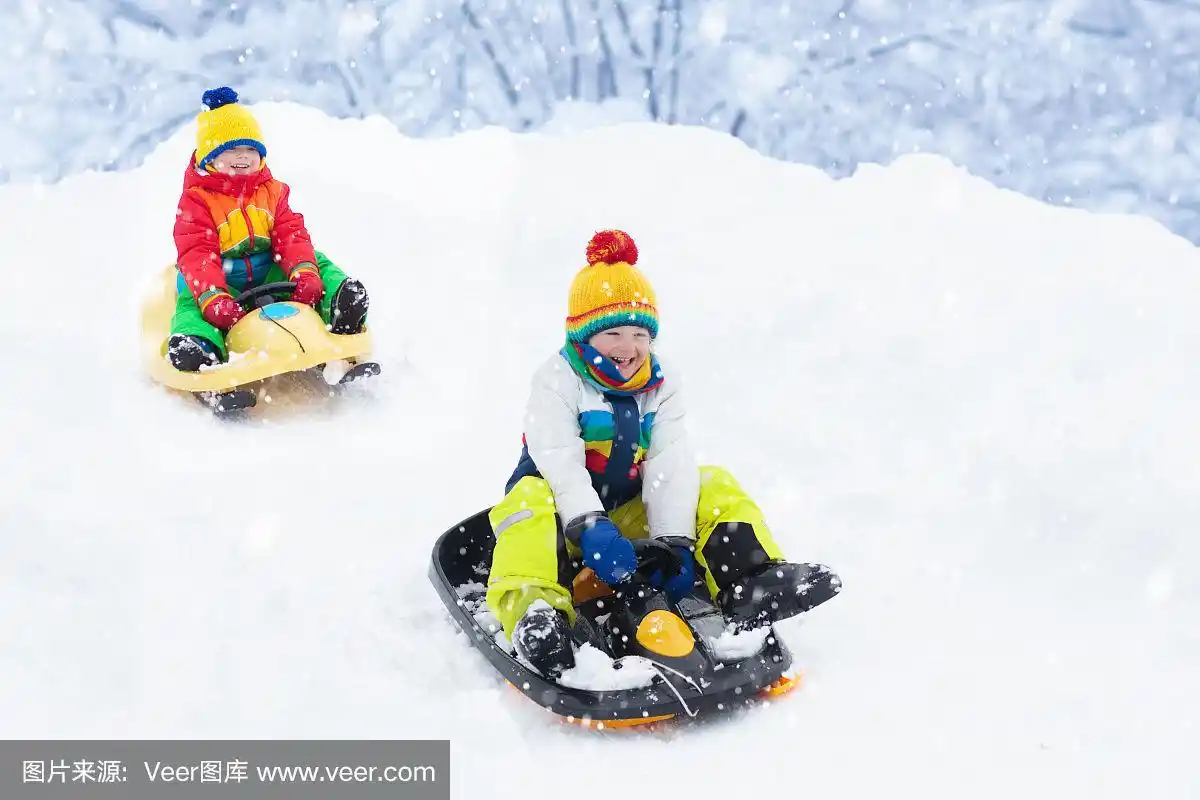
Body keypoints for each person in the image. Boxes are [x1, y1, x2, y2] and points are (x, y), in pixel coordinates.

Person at [485, 229, 840, 679]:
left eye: (639, 333)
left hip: (629, 512)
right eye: (612, 332)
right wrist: (591, 528)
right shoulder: (557, 380)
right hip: (563, 517)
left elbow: (669, 464)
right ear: (583, 337)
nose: (628, 347)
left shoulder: (662, 383)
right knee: (526, 503)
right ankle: (536, 614)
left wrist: (674, 543)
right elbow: (559, 463)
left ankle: (746, 580)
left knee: (712, 482)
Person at [167, 86, 369, 371]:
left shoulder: (272, 192)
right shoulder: (197, 201)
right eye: (233, 148)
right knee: (192, 296)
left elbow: (291, 235)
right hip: (224, 279)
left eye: (251, 148)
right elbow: (197, 253)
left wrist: (303, 272)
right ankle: (198, 344)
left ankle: (341, 307)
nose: (244, 156)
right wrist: (215, 297)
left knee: (318, 261)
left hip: (268, 269)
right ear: (210, 157)